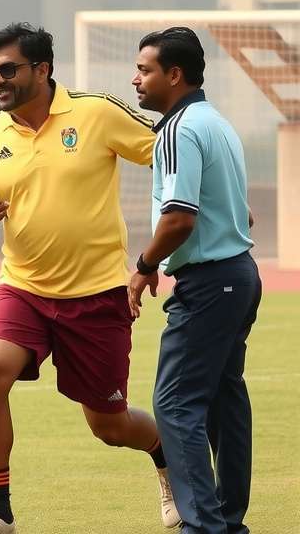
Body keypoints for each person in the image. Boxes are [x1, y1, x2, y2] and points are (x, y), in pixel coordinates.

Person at [0, 23, 179, 534]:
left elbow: (170, 152)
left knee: (110, 426)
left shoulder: (96, 112)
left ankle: (166, 457)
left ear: (42, 69)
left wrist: (219, 200)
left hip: (97, 296)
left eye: (7, 69)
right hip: (23, 288)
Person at [129, 27, 261, 534]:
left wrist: (142, 267)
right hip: (238, 276)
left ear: (174, 74)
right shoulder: (217, 122)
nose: (136, 79)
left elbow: (180, 216)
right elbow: (242, 214)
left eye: (144, 70)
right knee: (225, 402)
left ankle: (202, 525)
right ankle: (227, 521)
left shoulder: (178, 129)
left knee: (175, 401)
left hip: (211, 283)